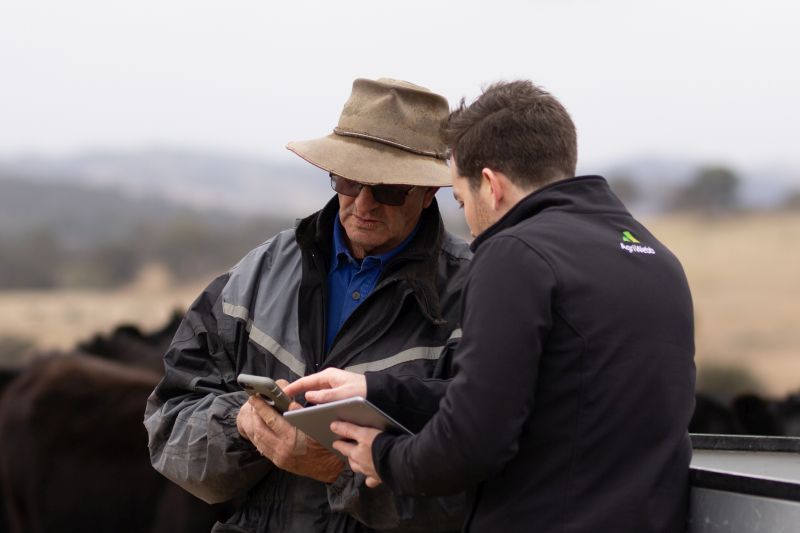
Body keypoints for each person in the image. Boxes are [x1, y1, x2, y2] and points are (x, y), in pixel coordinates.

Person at [284, 80, 696, 533]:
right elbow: (519, 399)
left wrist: (382, 457)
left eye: (460, 201)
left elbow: (472, 440)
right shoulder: (657, 258)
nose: (472, 230)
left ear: (490, 185)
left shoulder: (514, 254)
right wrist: (376, 390)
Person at [143, 78, 472, 533]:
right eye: (350, 179)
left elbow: (479, 490)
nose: (364, 203)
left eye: (390, 189)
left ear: (427, 191)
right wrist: (241, 426)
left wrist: (342, 471)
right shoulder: (260, 272)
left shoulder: (478, 294)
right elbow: (167, 426)